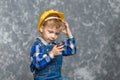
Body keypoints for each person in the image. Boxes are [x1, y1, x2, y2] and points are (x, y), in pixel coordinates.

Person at [30, 9, 76, 80]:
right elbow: (37, 64)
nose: (53, 36)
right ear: (42, 28)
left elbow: (72, 51)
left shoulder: (56, 46)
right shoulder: (38, 45)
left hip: (57, 78)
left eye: (56, 33)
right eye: (50, 32)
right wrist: (51, 54)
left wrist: (69, 35)